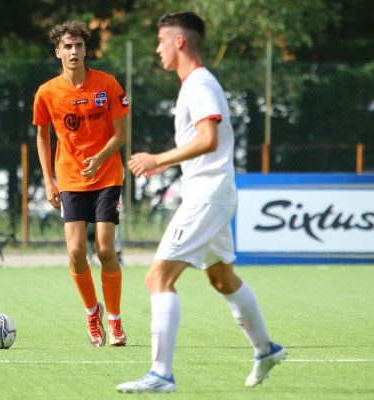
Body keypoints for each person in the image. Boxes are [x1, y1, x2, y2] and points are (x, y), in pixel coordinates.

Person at [116, 11, 286, 393]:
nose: (157, 49)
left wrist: (159, 159)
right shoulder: (193, 84)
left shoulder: (200, 84)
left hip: (207, 196)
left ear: (179, 42)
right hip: (213, 194)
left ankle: (161, 374)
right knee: (221, 277)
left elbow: (209, 138)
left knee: (157, 277)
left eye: (161, 40)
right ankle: (266, 350)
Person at [33, 21, 129, 347]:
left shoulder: (108, 84)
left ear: (86, 49)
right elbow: (42, 138)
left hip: (106, 175)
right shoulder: (47, 93)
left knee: (104, 249)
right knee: (75, 252)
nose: (73, 51)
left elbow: (122, 135)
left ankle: (115, 321)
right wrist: (48, 180)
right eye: (67, 46)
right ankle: (92, 312)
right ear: (57, 52)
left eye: (78, 46)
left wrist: (99, 159)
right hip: (70, 179)